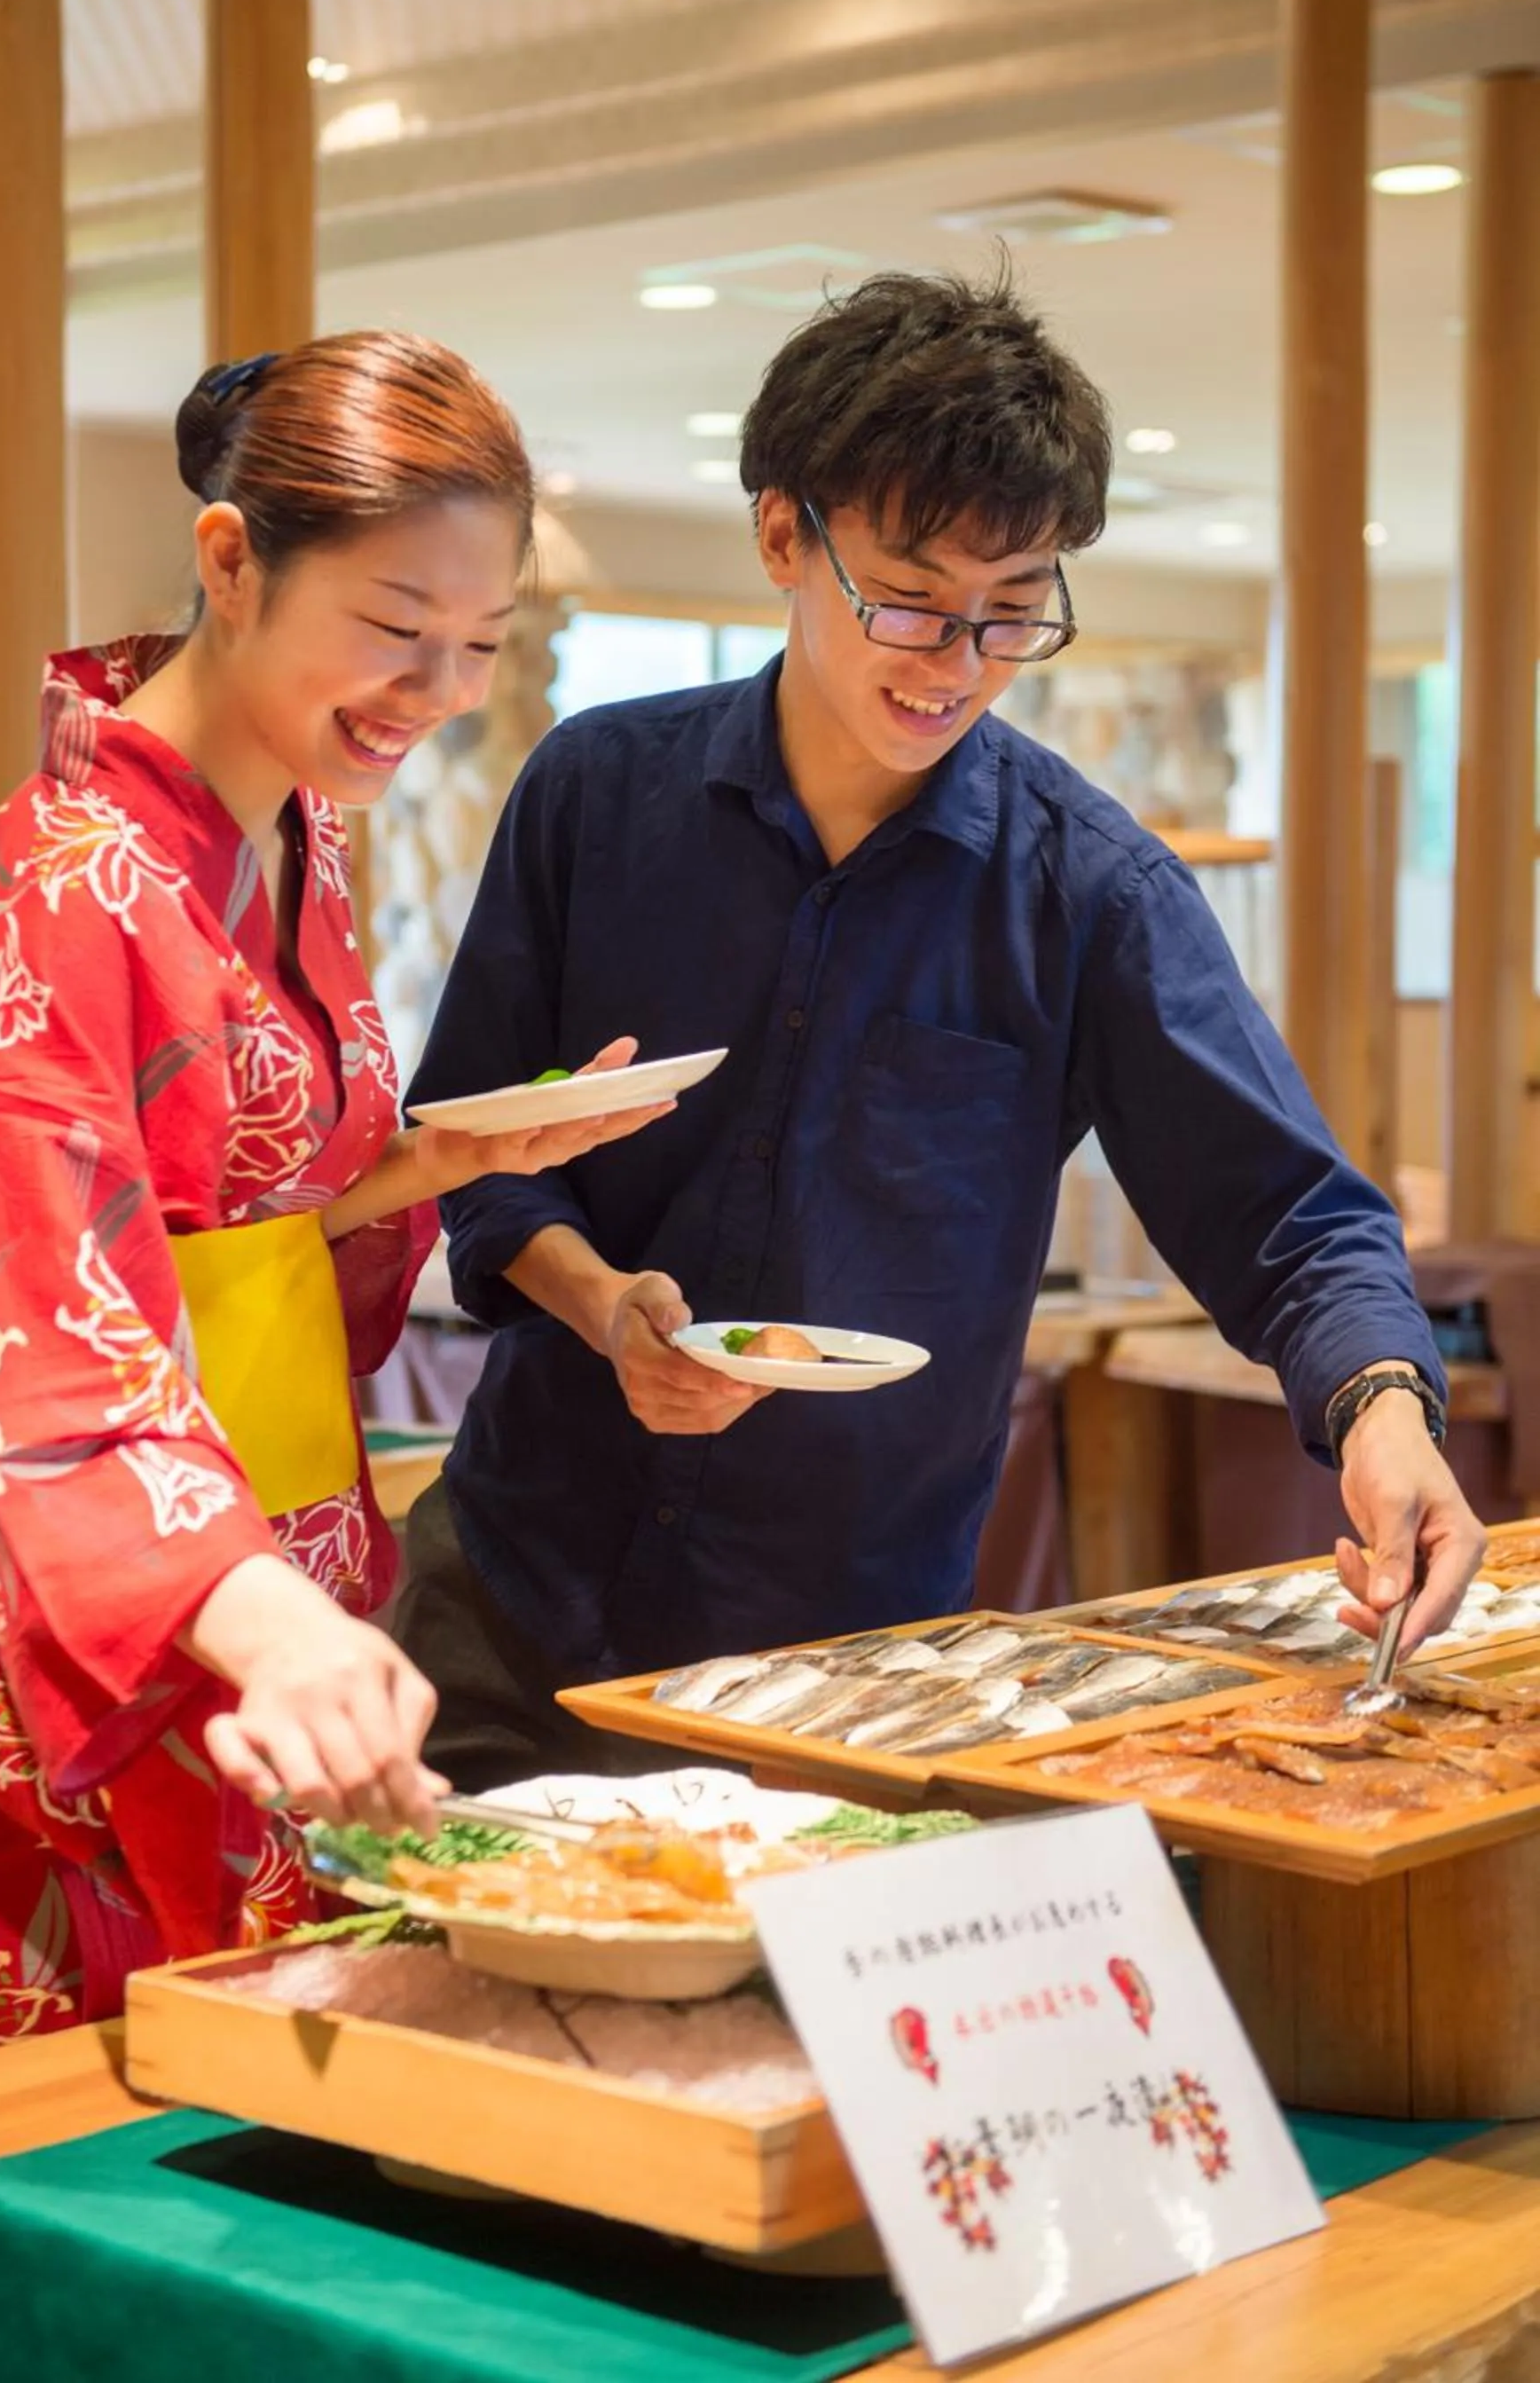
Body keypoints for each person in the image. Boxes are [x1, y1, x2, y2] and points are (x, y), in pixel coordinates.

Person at [397, 268, 1486, 1789]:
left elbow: (1289, 1217)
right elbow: (477, 1153)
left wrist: (1385, 1420)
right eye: (909, 601)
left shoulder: (1087, 890)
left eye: (1011, 616)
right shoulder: (595, 796)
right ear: (785, 532)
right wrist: (602, 1307)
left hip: (846, 1668)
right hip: (510, 1608)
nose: (955, 666)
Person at [0, 333, 663, 2049]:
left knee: (291, 2095)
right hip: (121, 1605)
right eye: (394, 626)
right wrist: (255, 1612)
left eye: (478, 646)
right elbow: (53, 1312)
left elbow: (230, 1220)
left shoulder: (300, 822)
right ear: (230, 561)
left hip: (280, 1568)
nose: (433, 690)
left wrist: (433, 1162)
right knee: (112, 2143)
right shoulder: (78, 874)